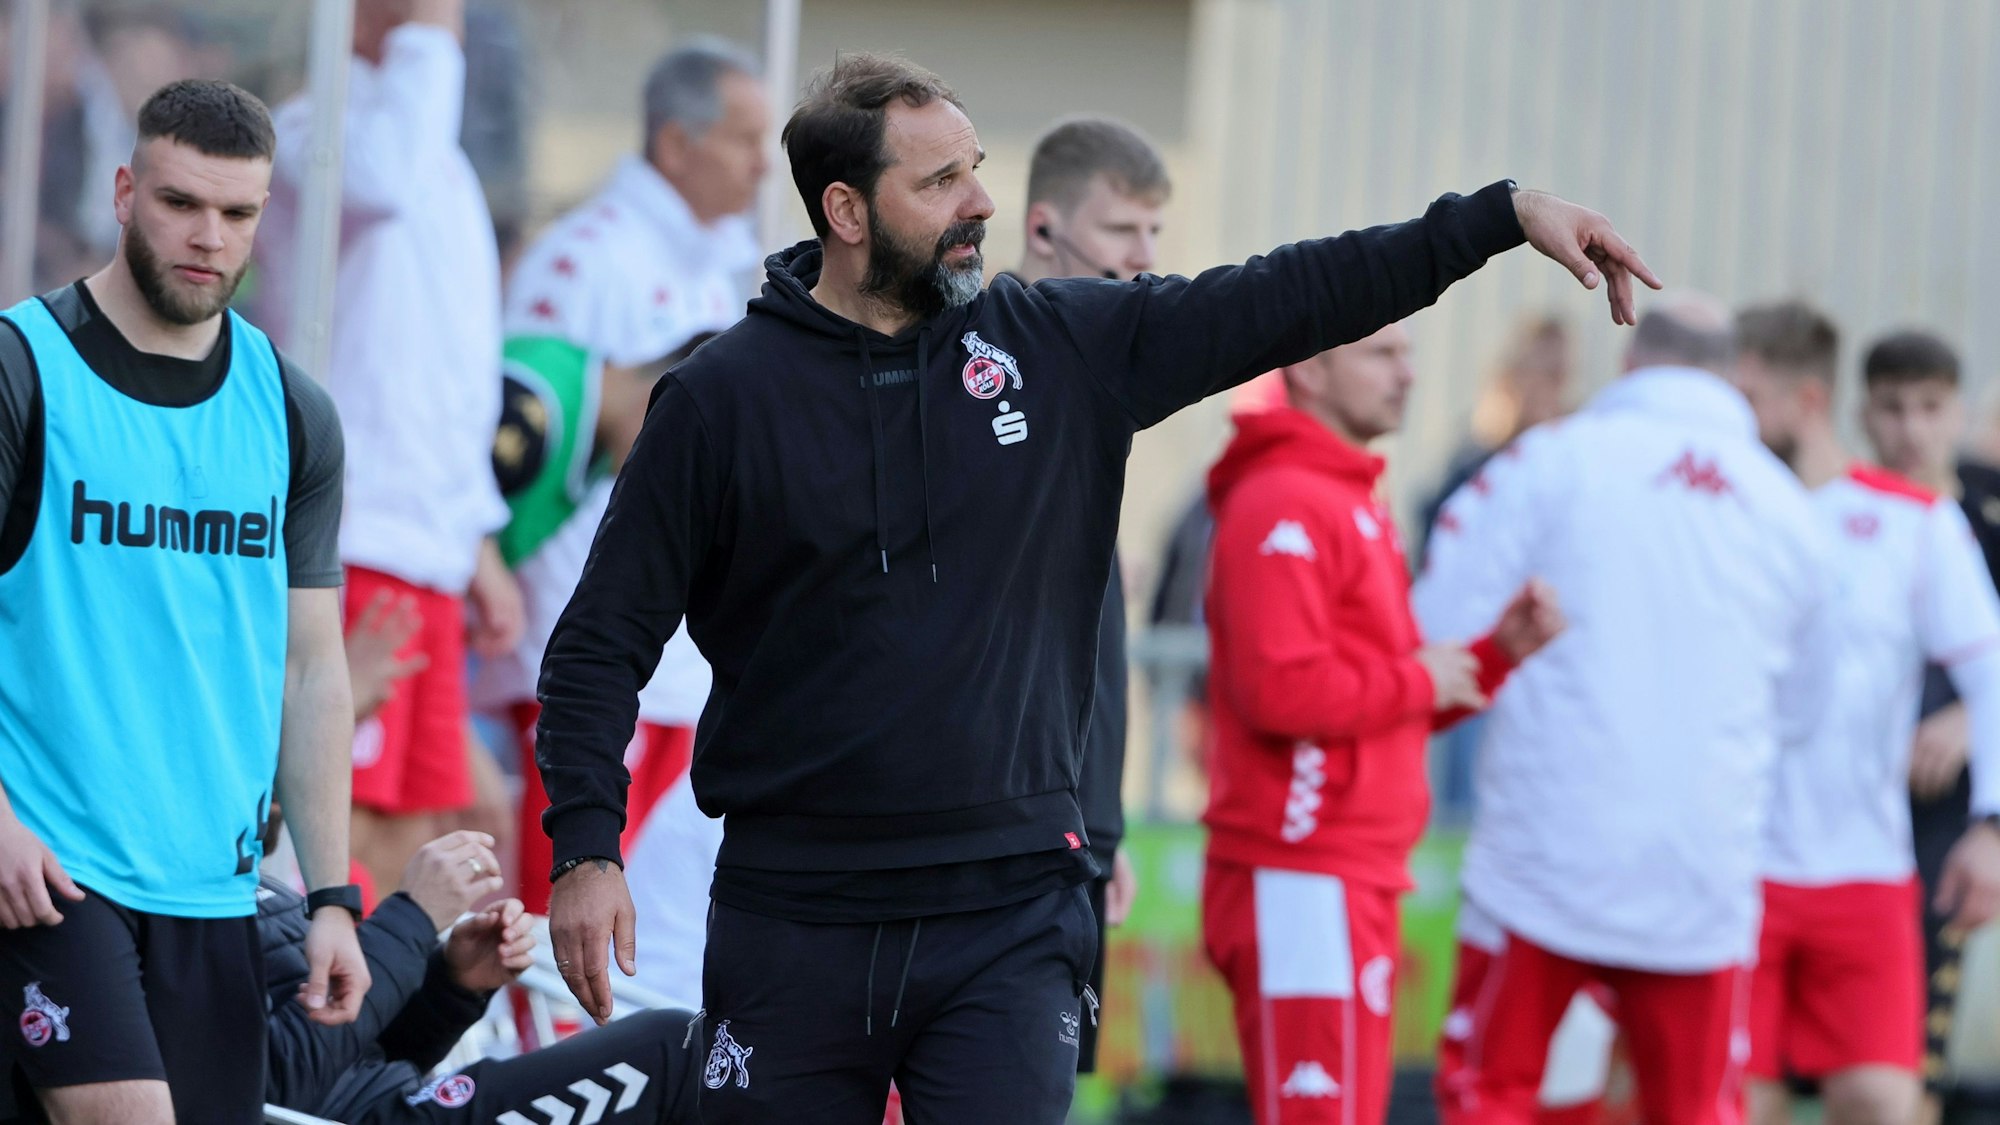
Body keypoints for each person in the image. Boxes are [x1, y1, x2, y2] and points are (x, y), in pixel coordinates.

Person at [536, 52, 1655, 1124]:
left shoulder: (1057, 344)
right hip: (795, 916)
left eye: (975, 165)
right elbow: (600, 641)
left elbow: (1284, 294)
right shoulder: (722, 397)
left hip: (1009, 916)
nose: (979, 199)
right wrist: (586, 849)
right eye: (939, 181)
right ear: (844, 211)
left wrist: (1497, 217)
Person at [0, 79, 366, 1124]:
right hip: (49, 874)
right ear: (123, 193)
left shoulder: (293, 411)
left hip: (213, 888)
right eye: (179, 203)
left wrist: (334, 897)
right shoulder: (20, 368)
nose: (209, 236)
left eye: (238, 213)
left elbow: (310, 668)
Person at [1414, 293, 1834, 1125]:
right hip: (1701, 874)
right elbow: (1805, 711)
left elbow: (1434, 629)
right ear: (1731, 377)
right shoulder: (1791, 512)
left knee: (1493, 1097)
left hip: (1543, 862)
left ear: (1631, 363)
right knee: (1693, 1110)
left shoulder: (1548, 462)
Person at [1200, 323, 1565, 1125]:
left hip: (1346, 871)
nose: (1408, 374)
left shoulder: (1347, 494)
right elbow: (1279, 691)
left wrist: (1494, 657)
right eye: (1382, 354)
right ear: (1309, 367)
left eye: (1408, 354)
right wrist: (1416, 675)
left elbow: (1378, 709)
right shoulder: (1284, 497)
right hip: (1300, 872)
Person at [259, 0, 522, 896]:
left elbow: (448, 368)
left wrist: (475, 536)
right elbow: (382, 179)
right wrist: (426, 40)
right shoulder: (314, 128)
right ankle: (330, 1019)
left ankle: (395, 1024)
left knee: (432, 818)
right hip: (355, 531)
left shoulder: (431, 151)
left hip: (426, 546)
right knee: (349, 813)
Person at [1728, 301, 2000, 1125]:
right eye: (1894, 405)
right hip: (1736, 872)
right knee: (1738, 1100)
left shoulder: (1919, 521)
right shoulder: (1723, 510)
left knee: (1885, 1100)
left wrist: (1991, 824)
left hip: (1877, 867)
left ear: (1803, 398)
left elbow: (1990, 669)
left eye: (1744, 398)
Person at [999, 113, 1173, 1074]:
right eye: (1122, 232)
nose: (1143, 261)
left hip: (1078, 829)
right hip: (1007, 839)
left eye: (1155, 235)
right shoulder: (984, 373)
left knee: (1051, 1086)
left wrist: (1106, 826)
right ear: (1042, 227)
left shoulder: (1095, 368)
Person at [264, 829, 703, 1124]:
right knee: (676, 1050)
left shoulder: (250, 884)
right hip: (367, 1116)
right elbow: (262, 1083)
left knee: (706, 1053)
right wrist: (413, 915)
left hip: (395, 1101)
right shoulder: (198, 915)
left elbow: (354, 1051)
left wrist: (453, 986)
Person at [1856, 329, 2000, 1112]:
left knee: (1913, 1047)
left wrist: (1976, 722)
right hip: (1842, 810)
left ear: (1958, 412)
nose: (1911, 429)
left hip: (1949, 815)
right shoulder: (1842, 509)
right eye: (1893, 409)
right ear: (1862, 413)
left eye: (1930, 408)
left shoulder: (1988, 508)